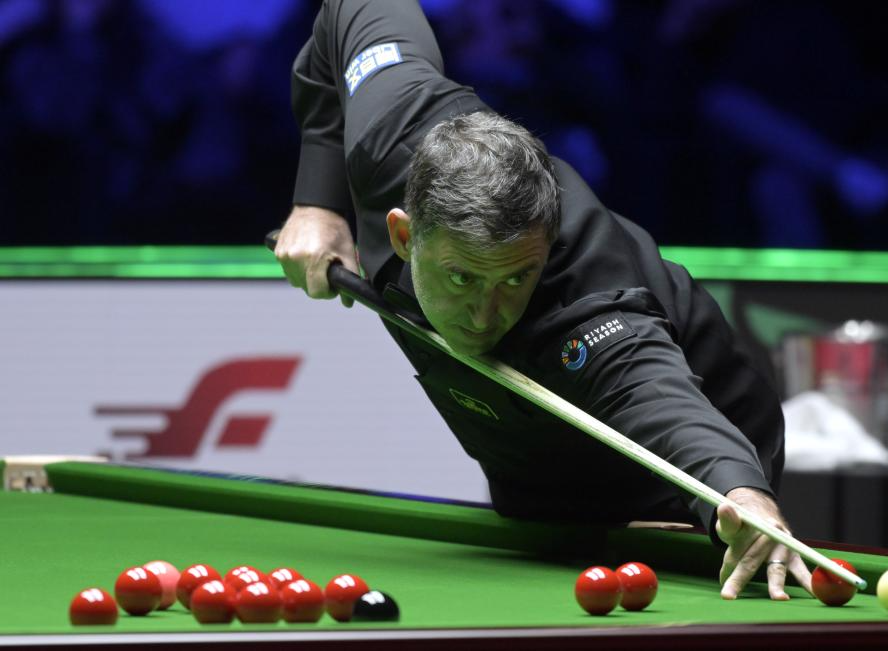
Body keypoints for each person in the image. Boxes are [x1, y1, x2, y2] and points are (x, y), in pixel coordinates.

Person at [274, 0, 812, 601]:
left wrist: (740, 493)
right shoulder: (393, 124)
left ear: (546, 243)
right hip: (526, 476)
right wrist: (317, 201)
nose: (484, 316)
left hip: (661, 474)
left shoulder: (593, 307)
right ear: (404, 235)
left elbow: (664, 402)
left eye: (514, 280)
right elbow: (352, 9)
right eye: (462, 279)